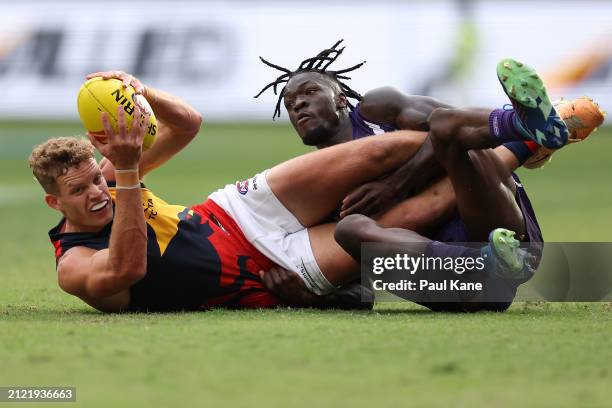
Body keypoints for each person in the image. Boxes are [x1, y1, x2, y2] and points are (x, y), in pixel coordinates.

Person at [30, 61, 555, 313]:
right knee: (374, 227)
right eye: (82, 192)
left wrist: (142, 91)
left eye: (97, 178)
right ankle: (488, 256)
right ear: (56, 204)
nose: (98, 192)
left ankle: (516, 126)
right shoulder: (73, 263)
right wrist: (125, 174)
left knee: (386, 147)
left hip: (236, 211)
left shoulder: (116, 173)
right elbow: (127, 270)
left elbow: (187, 123)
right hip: (267, 269)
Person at [255, 41, 604, 310]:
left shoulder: (378, 111)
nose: (297, 104)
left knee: (446, 124)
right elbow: (361, 291)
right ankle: (528, 140)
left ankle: (527, 127)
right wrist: (309, 295)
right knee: (350, 230)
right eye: (289, 102)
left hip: (508, 239)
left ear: (342, 99)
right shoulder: (317, 186)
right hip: (459, 287)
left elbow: (458, 127)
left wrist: (394, 186)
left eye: (310, 92)